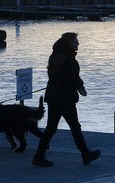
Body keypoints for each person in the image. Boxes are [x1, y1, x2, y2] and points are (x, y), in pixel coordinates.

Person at [32, 32, 101, 167]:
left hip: (53, 96)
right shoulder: (69, 59)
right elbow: (73, 78)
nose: (78, 43)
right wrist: (81, 87)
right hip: (64, 98)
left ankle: (39, 156)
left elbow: (57, 76)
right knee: (74, 126)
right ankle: (85, 154)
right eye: (75, 41)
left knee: (51, 128)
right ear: (69, 43)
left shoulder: (55, 56)